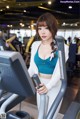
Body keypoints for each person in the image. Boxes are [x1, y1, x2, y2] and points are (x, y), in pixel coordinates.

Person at [28, 12, 69, 119]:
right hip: (40, 84)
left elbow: (60, 72)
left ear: (53, 28)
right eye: (40, 28)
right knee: (41, 114)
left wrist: (49, 86)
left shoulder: (63, 47)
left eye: (46, 28)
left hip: (54, 86)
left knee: (51, 116)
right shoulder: (35, 45)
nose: (43, 32)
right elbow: (32, 68)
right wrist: (22, 79)